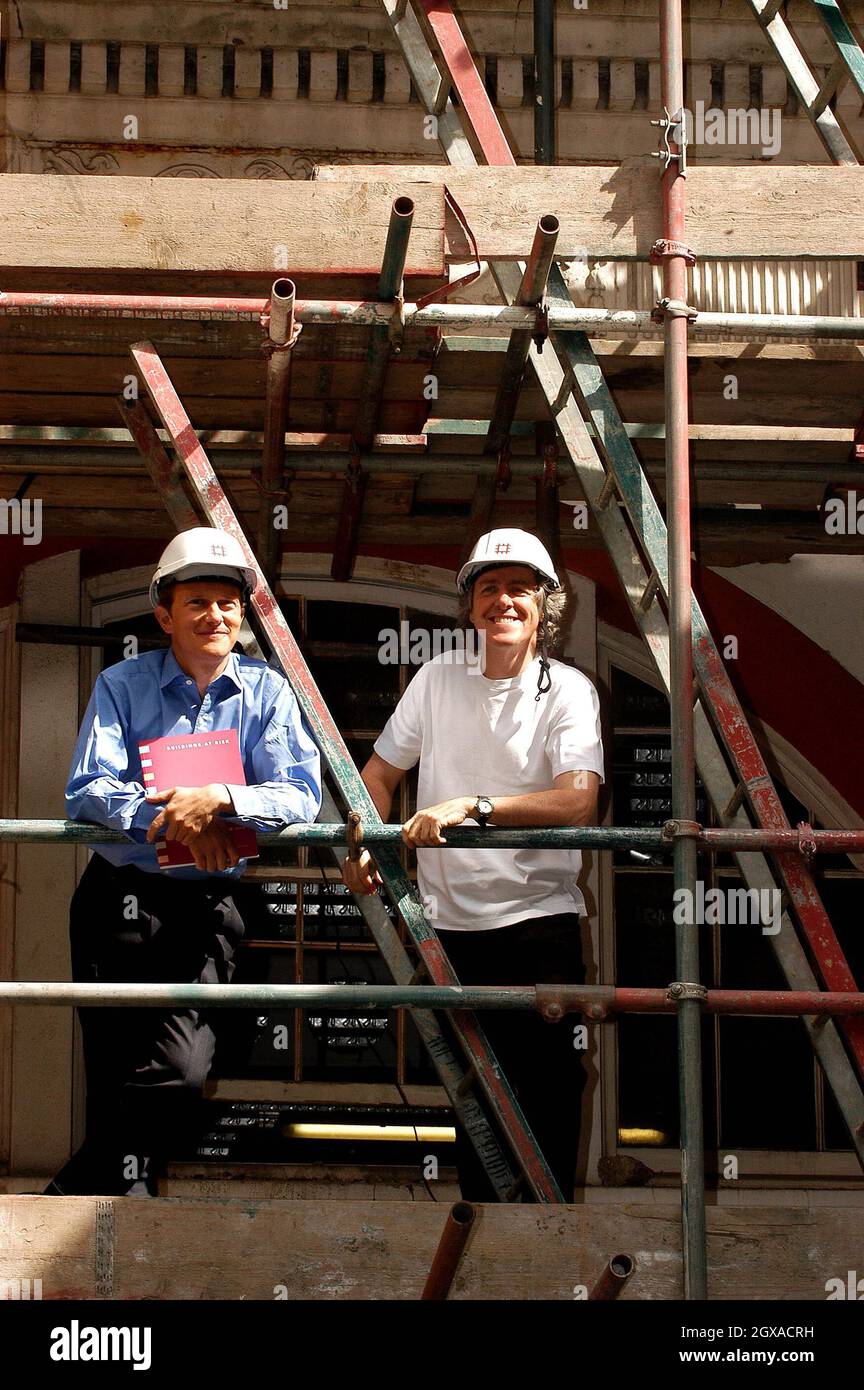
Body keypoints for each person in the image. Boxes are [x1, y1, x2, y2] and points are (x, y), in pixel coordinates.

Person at [44, 527, 322, 1197]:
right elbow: (89, 790)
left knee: (185, 1072)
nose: (216, 616)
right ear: (163, 614)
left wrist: (219, 798)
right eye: (197, 601)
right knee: (113, 1071)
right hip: (121, 898)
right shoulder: (122, 684)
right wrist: (177, 820)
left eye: (228, 603)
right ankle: (117, 1220)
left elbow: (301, 795)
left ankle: (63, 1203)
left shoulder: (267, 692)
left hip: (212, 905)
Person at [342, 528, 604, 1201]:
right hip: (449, 934)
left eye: (519, 587)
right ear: (469, 605)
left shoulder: (568, 690)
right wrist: (366, 843)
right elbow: (374, 775)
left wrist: (473, 808)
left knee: (547, 1096)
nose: (503, 600)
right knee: (477, 1111)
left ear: (545, 604)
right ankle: (489, 1263)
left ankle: (548, 1257)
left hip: (538, 928)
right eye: (488, 587)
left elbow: (578, 802)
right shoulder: (438, 680)